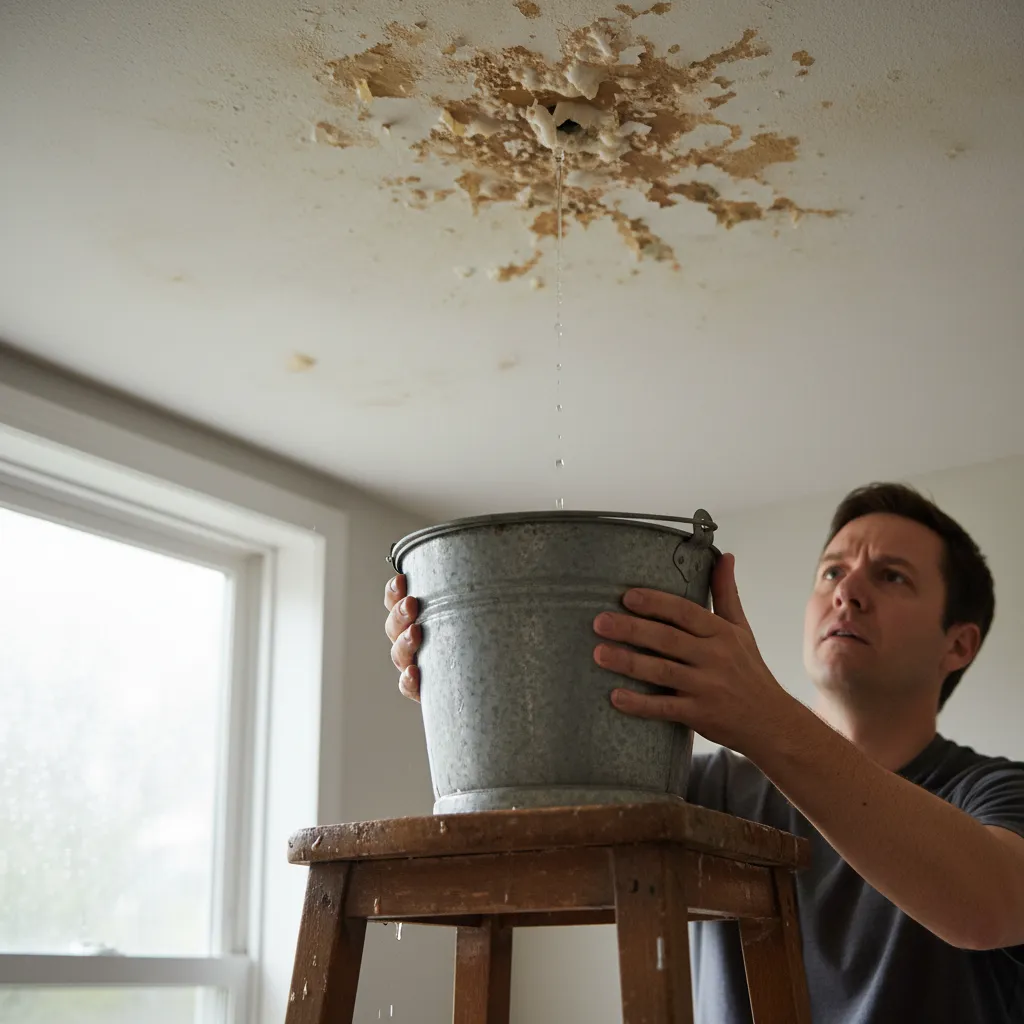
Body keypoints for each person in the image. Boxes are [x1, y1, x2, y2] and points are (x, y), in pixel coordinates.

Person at [383, 482, 1024, 1022]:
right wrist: (469, 675)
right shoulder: (712, 793)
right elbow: (526, 835)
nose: (847, 592)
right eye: (833, 570)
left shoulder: (995, 792)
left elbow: (991, 906)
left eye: (891, 576)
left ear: (958, 645)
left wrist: (763, 715)